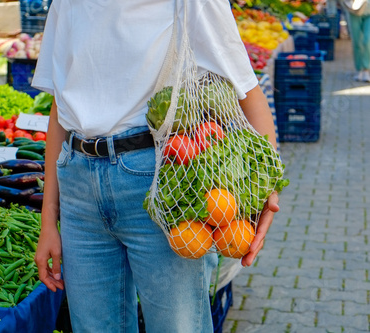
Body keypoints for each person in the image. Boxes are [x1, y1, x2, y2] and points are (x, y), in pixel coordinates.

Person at [32, 0, 280, 332]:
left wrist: (267, 190)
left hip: (160, 182)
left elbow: (246, 90)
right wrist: (49, 219)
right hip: (78, 185)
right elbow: (59, 106)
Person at [344, 0, 370, 82]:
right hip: (354, 10)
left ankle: (366, 69)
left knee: (367, 41)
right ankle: (359, 69)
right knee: (357, 42)